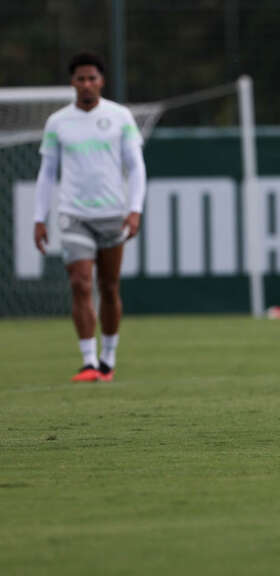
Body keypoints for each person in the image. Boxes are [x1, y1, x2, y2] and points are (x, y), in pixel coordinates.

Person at [33, 52, 146, 383]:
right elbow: (47, 172)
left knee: (108, 287)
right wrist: (40, 217)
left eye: (92, 78)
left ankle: (108, 359)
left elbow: (136, 167)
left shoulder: (120, 116)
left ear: (101, 81)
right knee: (80, 283)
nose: (86, 84)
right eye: (80, 79)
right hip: (73, 214)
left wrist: (134, 209)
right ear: (72, 82)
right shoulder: (57, 122)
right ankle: (88, 361)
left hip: (112, 214)